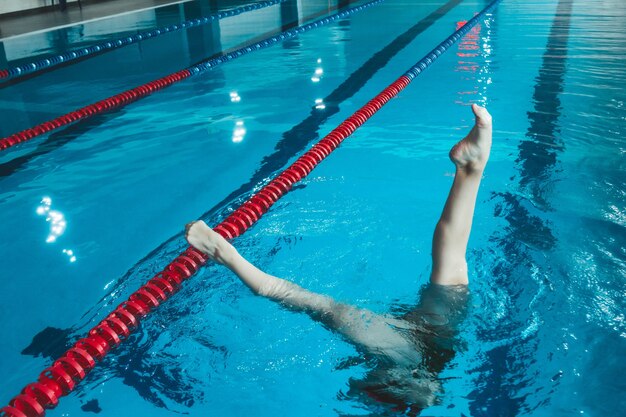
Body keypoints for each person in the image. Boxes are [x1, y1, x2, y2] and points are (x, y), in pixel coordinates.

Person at [185, 104, 492, 415]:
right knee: (323, 307)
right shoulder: (402, 377)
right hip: (414, 358)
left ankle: (471, 169)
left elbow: (420, 393)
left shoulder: (406, 378)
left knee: (450, 265)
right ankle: (471, 167)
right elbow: (417, 393)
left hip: (432, 349)